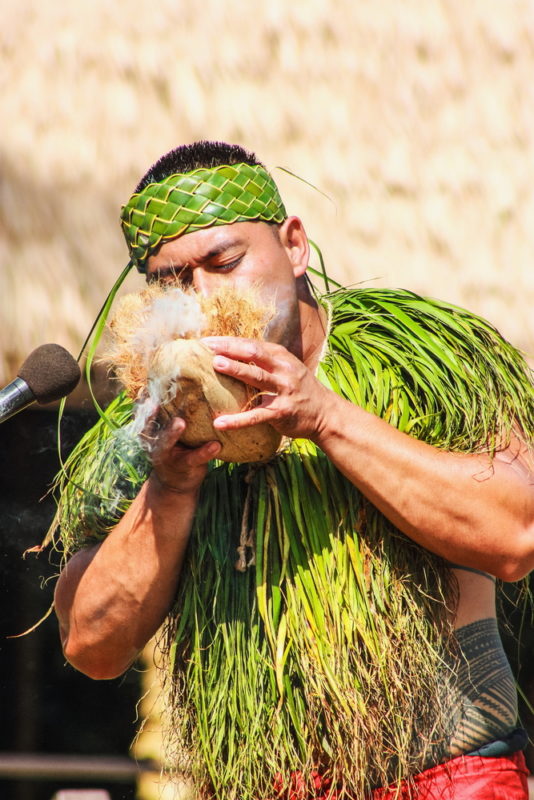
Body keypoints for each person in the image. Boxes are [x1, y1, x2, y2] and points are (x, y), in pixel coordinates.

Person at [53, 140, 534, 799]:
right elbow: (91, 644)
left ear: (295, 245)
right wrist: (170, 486)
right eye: (173, 282)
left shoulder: (420, 363)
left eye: (225, 262)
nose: (204, 298)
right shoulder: (147, 430)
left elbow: (518, 534)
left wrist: (326, 418)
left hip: (450, 780)